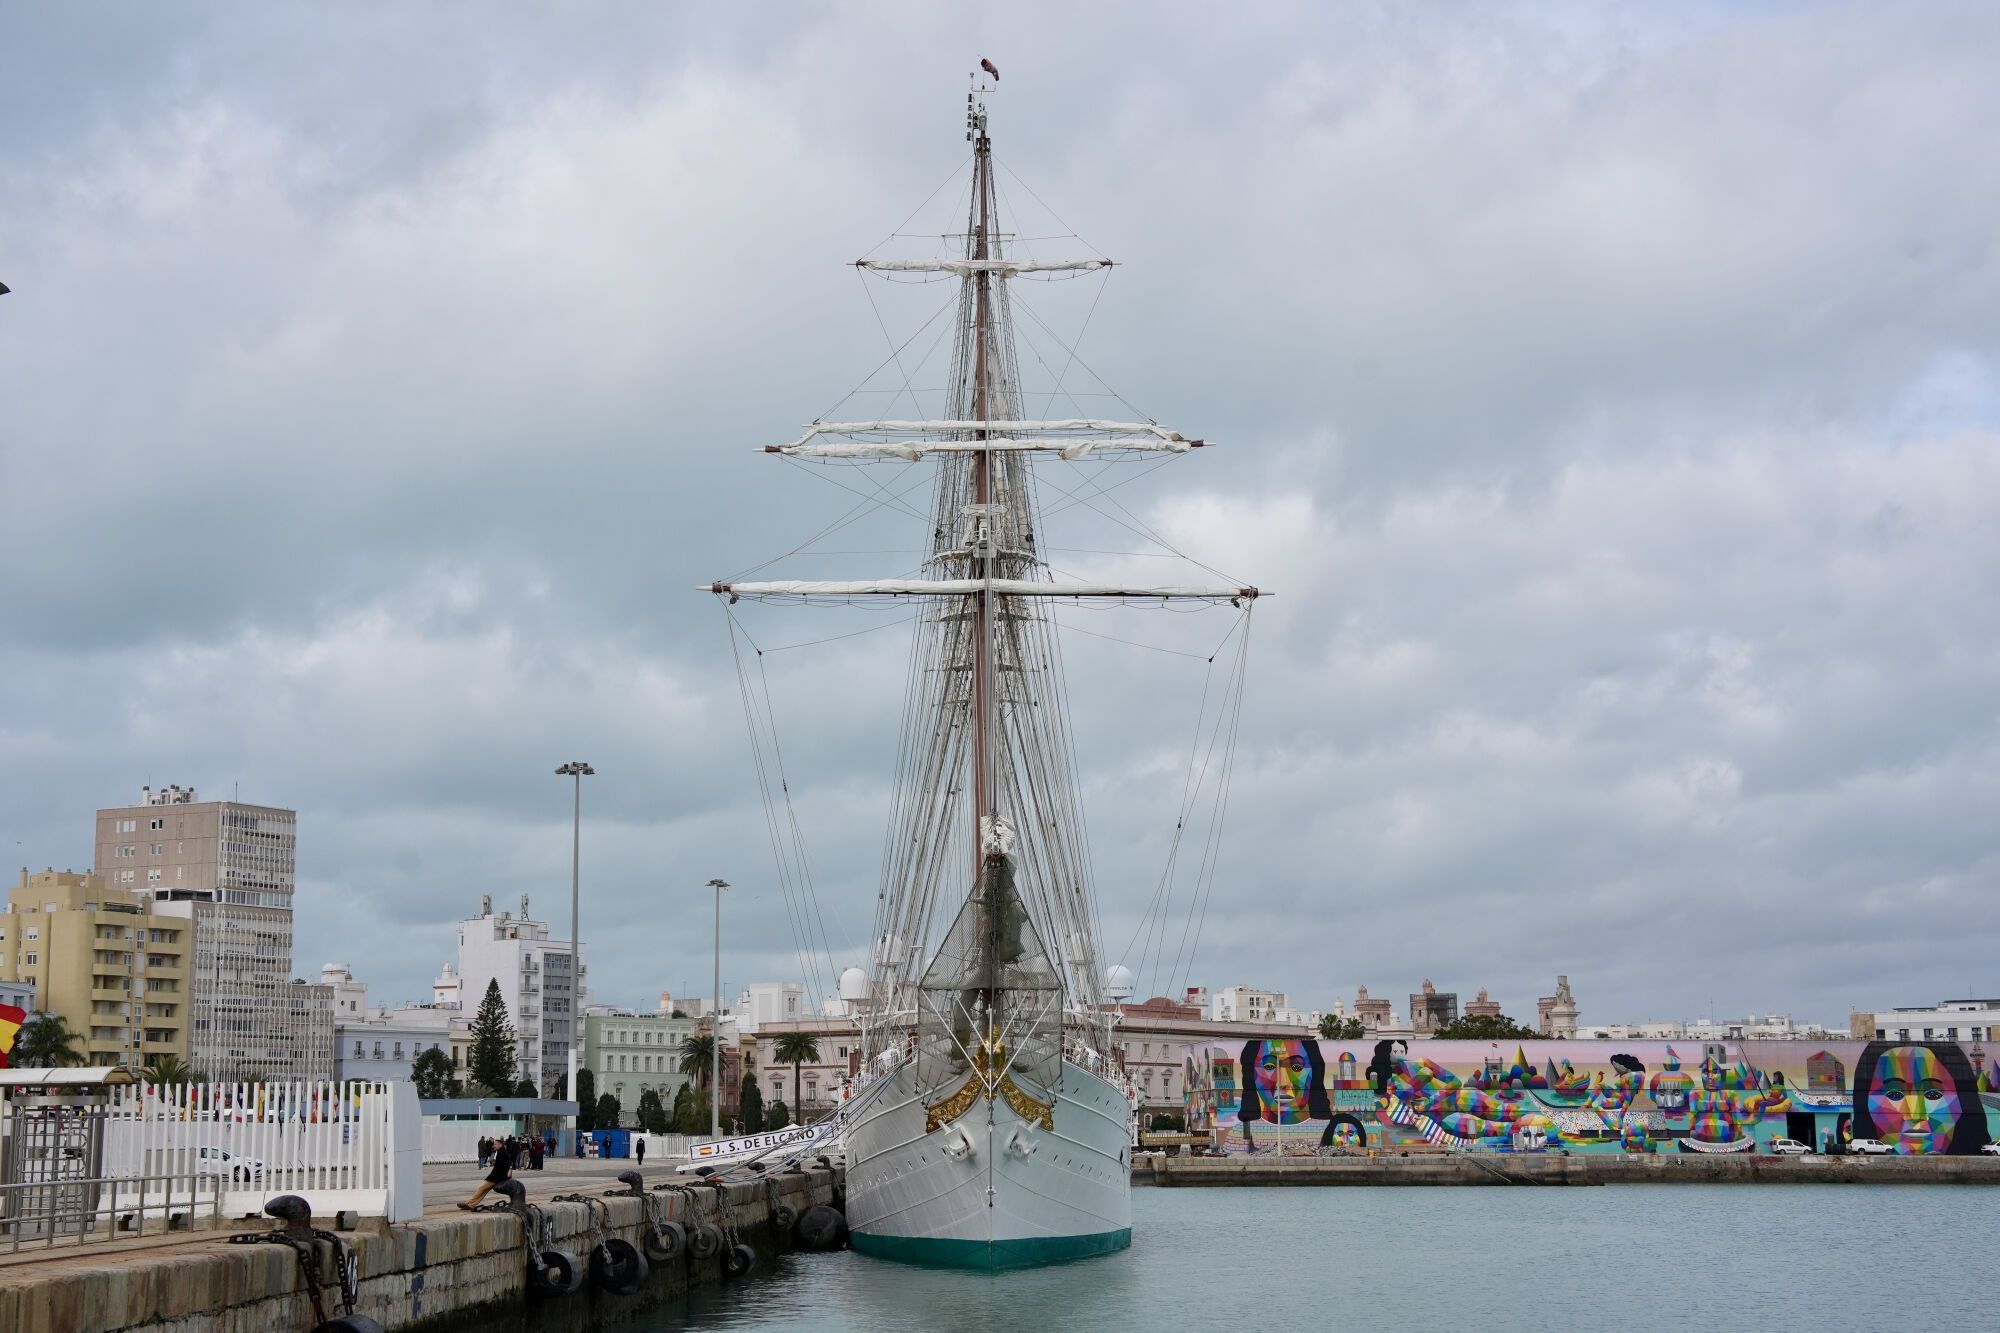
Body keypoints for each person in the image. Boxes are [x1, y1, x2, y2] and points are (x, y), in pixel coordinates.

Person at [460, 1134, 517, 1209]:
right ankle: (472, 1205)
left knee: (481, 1189)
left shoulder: (502, 1153)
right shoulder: (502, 1152)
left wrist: (494, 1164)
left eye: (496, 1144)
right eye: (494, 1144)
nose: (494, 1145)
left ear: (500, 1145)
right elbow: (505, 1165)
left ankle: (467, 1203)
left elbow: (500, 1167)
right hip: (498, 1177)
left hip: (495, 1177)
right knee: (484, 1191)